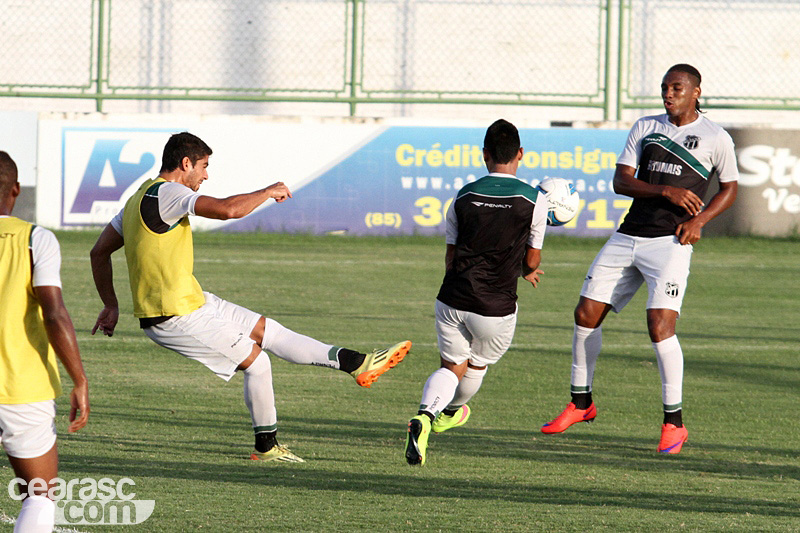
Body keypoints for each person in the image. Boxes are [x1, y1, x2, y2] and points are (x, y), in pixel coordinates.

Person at [89, 132, 410, 463]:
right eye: (203, 166)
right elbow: (228, 210)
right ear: (185, 164)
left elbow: (98, 252)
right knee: (258, 363)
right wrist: (268, 192)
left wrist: (111, 305)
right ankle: (266, 447)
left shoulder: (137, 198)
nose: (206, 175)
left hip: (192, 301)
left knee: (268, 331)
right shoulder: (170, 193)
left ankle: (357, 363)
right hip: (172, 314)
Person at [540, 64, 738, 454]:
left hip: (671, 242)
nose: (669, 94)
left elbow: (730, 188)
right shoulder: (645, 127)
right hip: (629, 234)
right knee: (584, 314)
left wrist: (700, 220)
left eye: (677, 88)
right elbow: (621, 181)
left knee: (660, 325)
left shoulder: (716, 138)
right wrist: (665, 190)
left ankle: (674, 423)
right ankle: (581, 404)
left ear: (696, 92)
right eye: (665, 87)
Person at [404, 119, 547, 466]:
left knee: (451, 366)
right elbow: (531, 259)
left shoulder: (463, 196)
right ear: (521, 154)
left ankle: (425, 414)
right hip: (495, 307)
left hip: (452, 297)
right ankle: (447, 413)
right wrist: (525, 272)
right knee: (475, 366)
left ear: (484, 155)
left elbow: (451, 255)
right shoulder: (535, 200)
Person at [0, 151, 90, 532]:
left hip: (24, 389)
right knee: (39, 495)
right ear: (16, 189)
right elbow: (54, 314)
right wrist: (79, 379)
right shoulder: (35, 239)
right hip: (22, 386)